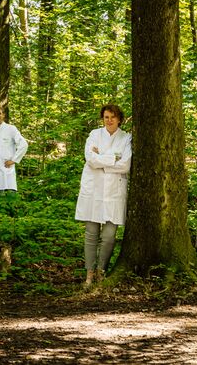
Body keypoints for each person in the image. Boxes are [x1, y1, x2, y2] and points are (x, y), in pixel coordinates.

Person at [75, 104, 132, 288]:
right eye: (106, 117)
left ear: (119, 119)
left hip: (114, 191)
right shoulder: (94, 135)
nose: (109, 120)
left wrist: (103, 159)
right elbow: (90, 160)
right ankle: (90, 274)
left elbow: (125, 165)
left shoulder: (126, 138)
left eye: (113, 117)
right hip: (94, 189)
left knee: (109, 236)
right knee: (91, 233)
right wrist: (113, 157)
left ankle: (102, 270)